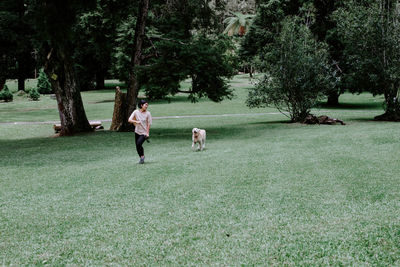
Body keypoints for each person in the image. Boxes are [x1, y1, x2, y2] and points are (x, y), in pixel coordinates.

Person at [128, 100, 152, 164]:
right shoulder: (136, 112)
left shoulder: (148, 113)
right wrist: (136, 122)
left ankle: (142, 156)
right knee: (137, 146)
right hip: (137, 131)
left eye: (147, 105)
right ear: (141, 105)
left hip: (144, 133)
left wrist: (147, 133)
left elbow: (149, 124)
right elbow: (129, 120)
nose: (147, 106)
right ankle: (141, 157)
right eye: (145, 105)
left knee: (139, 143)